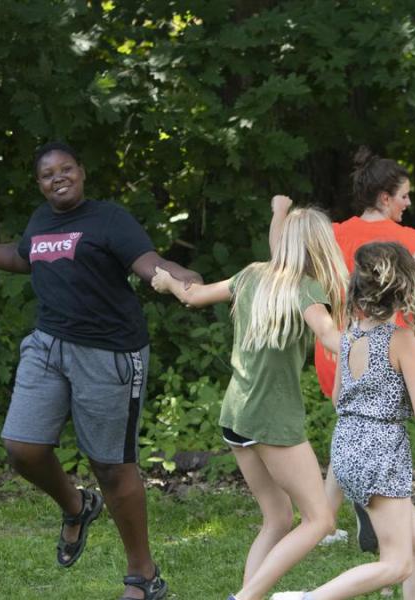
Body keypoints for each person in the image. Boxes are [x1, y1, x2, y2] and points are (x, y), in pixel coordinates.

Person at [0, 142, 199, 599]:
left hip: (108, 354)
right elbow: (20, 258)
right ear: (39, 184)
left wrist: (179, 278)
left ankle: (143, 577)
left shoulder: (109, 219)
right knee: (22, 448)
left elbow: (148, 263)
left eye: (66, 168)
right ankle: (77, 506)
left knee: (112, 467)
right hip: (48, 345)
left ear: (82, 172)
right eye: (48, 173)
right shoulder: (41, 220)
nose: (58, 177)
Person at [150, 204, 348, 600]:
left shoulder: (252, 275)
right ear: (322, 247)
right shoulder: (308, 289)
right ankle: (243, 599)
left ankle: (248, 597)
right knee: (320, 519)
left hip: (236, 416)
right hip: (272, 423)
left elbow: (195, 295)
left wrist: (168, 283)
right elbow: (328, 336)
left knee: (277, 518)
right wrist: (379, 347)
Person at [269, 149, 415, 553]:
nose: (409, 204)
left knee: (352, 428)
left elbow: (285, 254)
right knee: (379, 432)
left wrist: (279, 213)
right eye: (404, 196)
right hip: (390, 350)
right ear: (385, 197)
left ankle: (323, 518)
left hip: (340, 348)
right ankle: (374, 509)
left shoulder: (337, 231)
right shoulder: (407, 238)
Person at [271, 241, 415, 600]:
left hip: (347, 448)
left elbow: (339, 397)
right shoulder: (403, 339)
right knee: (397, 564)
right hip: (380, 456)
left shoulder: (351, 334)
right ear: (405, 288)